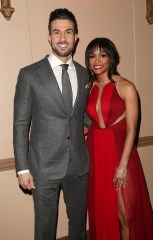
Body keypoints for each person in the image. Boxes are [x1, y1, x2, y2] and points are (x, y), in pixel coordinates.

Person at [13, 8, 91, 240]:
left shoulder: (85, 75)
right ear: (49, 37)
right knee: (45, 230)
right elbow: (20, 123)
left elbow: (82, 115)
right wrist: (22, 168)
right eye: (56, 32)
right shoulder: (30, 74)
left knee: (78, 228)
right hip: (43, 167)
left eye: (68, 32)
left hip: (78, 165)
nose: (63, 38)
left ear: (76, 37)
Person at [85, 37, 153, 240]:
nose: (97, 60)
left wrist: (122, 165)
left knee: (127, 215)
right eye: (92, 56)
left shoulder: (126, 87)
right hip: (95, 154)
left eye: (103, 54)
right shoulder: (87, 88)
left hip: (120, 153)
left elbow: (132, 128)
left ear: (112, 58)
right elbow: (84, 123)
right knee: (102, 212)